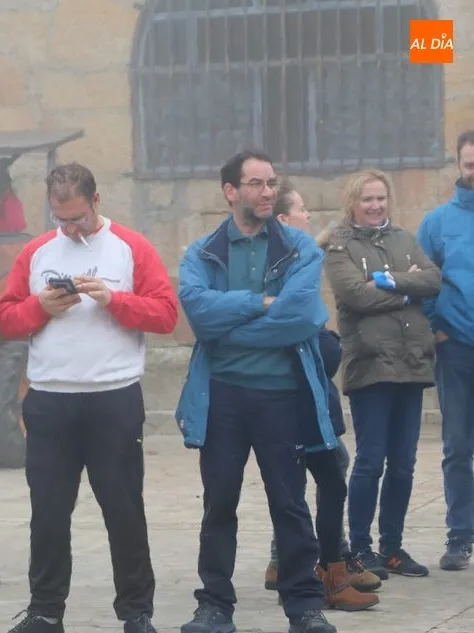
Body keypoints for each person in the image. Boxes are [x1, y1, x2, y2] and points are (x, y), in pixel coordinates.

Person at [0, 163, 179, 633]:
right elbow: (6, 320)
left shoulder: (131, 247)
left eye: (77, 218)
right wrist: (39, 306)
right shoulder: (36, 251)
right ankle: (44, 611)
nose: (70, 229)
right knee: (48, 513)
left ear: (96, 201)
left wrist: (115, 300)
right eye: (61, 219)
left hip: (113, 398)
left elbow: (166, 315)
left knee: (124, 510)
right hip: (50, 400)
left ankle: (136, 613)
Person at [176, 149, 337, 633]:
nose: (268, 192)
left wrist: (229, 326)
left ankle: (304, 606)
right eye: (256, 184)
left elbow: (301, 317)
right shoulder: (202, 253)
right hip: (221, 397)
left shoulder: (300, 249)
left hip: (281, 396)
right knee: (218, 503)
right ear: (231, 191)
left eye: (272, 183)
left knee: (289, 503)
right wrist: (261, 303)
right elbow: (199, 314)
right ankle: (214, 606)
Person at [320, 169, 441, 580]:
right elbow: (355, 295)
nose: (375, 206)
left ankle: (392, 547)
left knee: (404, 463)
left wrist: (389, 281)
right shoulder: (339, 245)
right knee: (370, 460)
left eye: (380, 198)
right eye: (367, 199)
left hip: (411, 362)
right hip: (371, 364)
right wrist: (407, 291)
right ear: (353, 203)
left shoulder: (404, 238)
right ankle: (361, 547)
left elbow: (433, 279)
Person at [266, 181, 380, 610]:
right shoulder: (283, 269)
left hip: (313, 397)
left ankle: (321, 567)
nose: (308, 215)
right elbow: (301, 334)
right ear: (283, 219)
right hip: (293, 401)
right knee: (310, 486)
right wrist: (330, 345)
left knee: (327, 479)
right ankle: (313, 572)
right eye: (301, 209)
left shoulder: (302, 260)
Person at [417, 129, 474, 572]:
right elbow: (421, 279)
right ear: (458, 165)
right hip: (456, 350)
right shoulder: (437, 223)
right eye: (470, 164)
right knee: (457, 446)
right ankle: (460, 536)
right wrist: (436, 328)